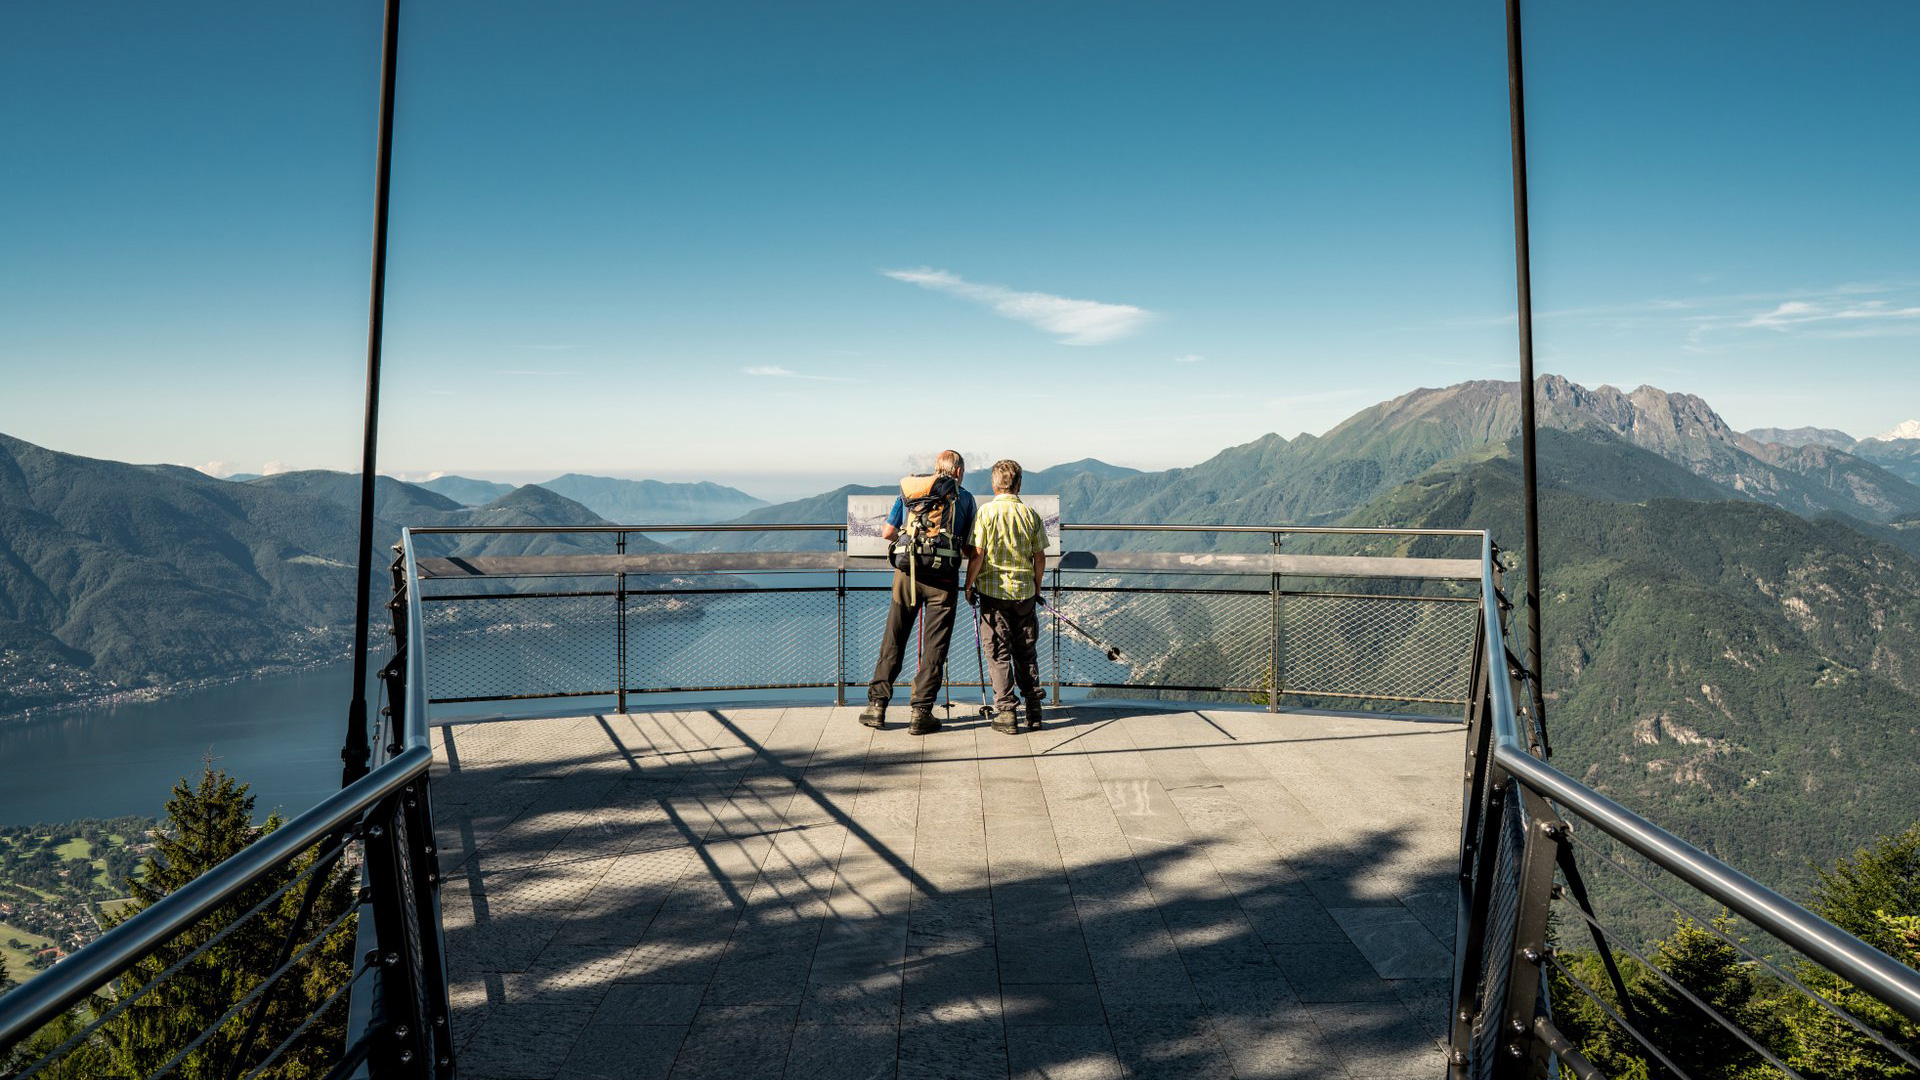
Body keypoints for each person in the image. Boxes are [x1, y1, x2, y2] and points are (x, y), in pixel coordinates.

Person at [859, 450, 980, 736]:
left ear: (936, 470)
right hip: (943, 580)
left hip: (907, 573)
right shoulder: (965, 498)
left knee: (894, 638)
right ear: (959, 472)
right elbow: (971, 548)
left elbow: (887, 532)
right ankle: (921, 711)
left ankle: (877, 705)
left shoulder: (911, 491)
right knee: (934, 646)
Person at [964, 459, 1048, 734]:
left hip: (993, 593)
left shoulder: (986, 514)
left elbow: (977, 555)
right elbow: (1039, 557)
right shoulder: (1030, 515)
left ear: (994, 484)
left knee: (999, 652)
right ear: (1019, 484)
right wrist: (1036, 588)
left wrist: (968, 585)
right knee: (1026, 651)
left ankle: (1007, 712)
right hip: (1024, 593)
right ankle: (1034, 709)